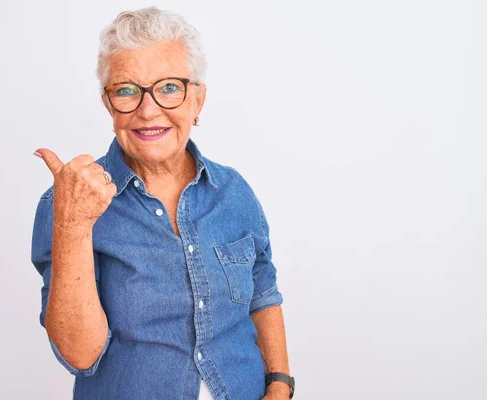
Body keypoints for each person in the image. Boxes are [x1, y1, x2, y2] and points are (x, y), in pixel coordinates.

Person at [31, 6, 294, 400]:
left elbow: (262, 292)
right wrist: (73, 224)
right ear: (108, 105)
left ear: (197, 100)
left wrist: (280, 385)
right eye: (126, 90)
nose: (148, 110)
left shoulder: (234, 191)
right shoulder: (70, 202)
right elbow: (79, 355)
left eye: (169, 87)